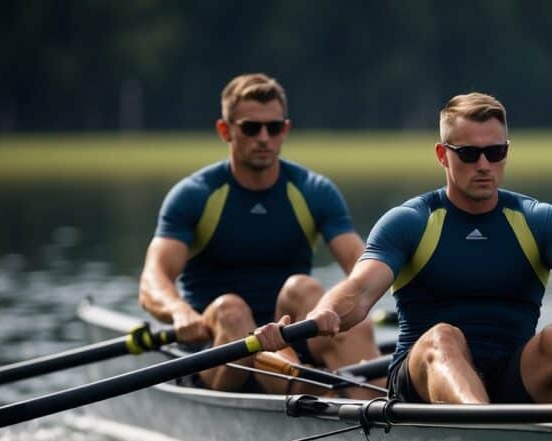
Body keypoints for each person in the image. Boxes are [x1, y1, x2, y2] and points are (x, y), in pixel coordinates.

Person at [255, 92, 552, 404]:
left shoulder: (537, 220)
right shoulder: (411, 222)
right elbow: (358, 289)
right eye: (469, 155)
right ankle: (484, 440)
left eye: (496, 152)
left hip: (511, 376)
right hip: (421, 380)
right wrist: (324, 315)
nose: (484, 165)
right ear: (442, 155)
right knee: (444, 337)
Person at [138, 73, 379, 393]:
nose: (264, 137)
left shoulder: (313, 191)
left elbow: (361, 266)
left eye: (274, 127)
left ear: (286, 130)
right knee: (231, 309)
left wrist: (362, 307)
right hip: (220, 349)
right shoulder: (195, 195)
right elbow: (152, 281)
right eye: (251, 128)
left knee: (309, 290)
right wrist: (180, 312)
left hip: (291, 334)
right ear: (225, 130)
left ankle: (378, 406)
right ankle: (320, 391)